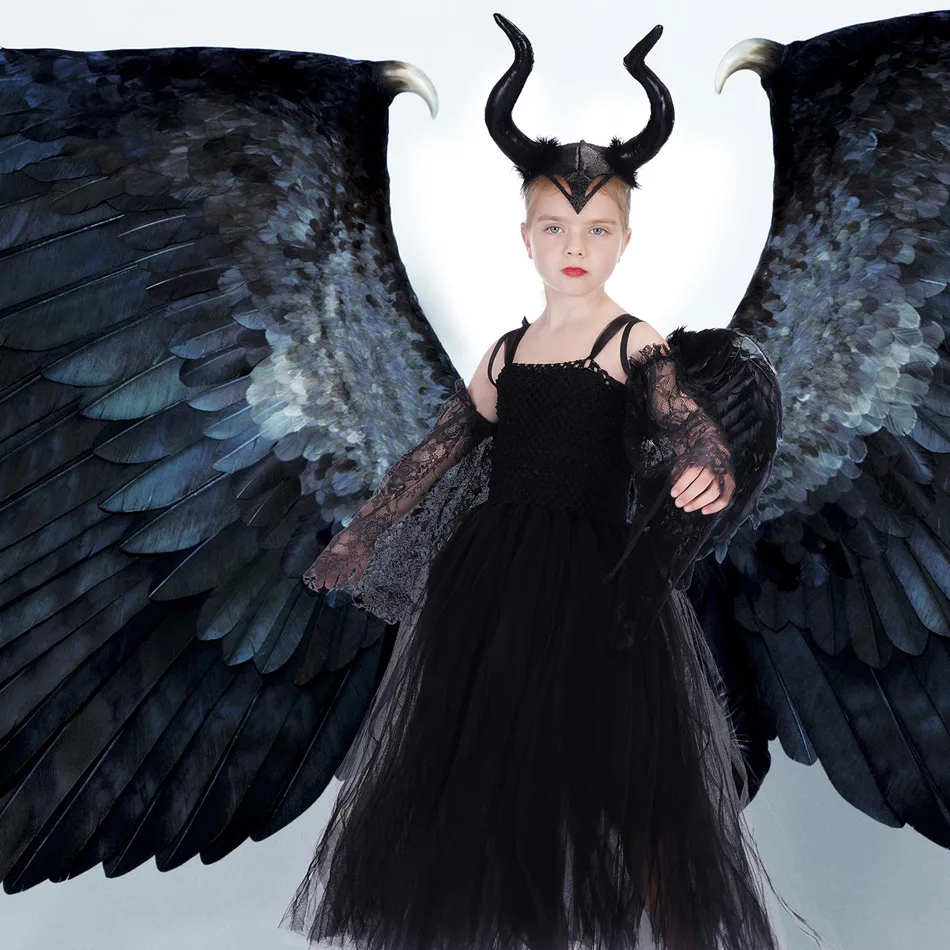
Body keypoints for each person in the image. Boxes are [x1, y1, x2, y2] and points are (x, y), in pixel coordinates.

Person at [281, 14, 793, 950]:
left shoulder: (633, 342)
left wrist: (709, 468)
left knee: (631, 775)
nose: (575, 244)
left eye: (597, 228)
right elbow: (440, 448)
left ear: (625, 238)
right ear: (525, 236)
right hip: (492, 584)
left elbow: (686, 423)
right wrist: (366, 531)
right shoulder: (508, 350)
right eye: (556, 226)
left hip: (599, 584)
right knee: (492, 778)